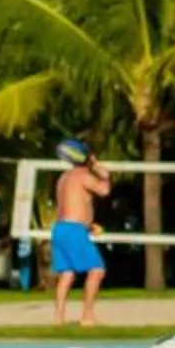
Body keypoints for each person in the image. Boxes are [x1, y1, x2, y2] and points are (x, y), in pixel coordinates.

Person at [49, 138, 111, 327]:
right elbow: (103, 190)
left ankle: (58, 319)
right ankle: (87, 316)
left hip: (60, 228)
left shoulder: (64, 177)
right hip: (73, 229)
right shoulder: (83, 174)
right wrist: (104, 174)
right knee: (97, 270)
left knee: (67, 274)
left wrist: (88, 225)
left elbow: (70, 205)